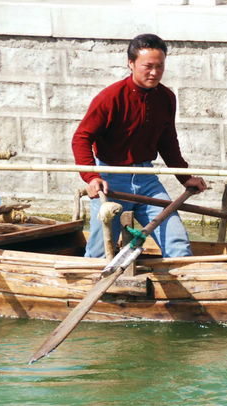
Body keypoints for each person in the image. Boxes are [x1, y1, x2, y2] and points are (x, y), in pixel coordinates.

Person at [72, 33, 207, 259]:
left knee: (177, 241)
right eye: (148, 66)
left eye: (160, 66)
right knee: (98, 252)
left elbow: (168, 142)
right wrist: (91, 177)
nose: (154, 73)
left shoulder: (166, 98)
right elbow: (81, 138)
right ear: (131, 64)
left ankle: (179, 290)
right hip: (111, 178)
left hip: (146, 179)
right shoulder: (110, 97)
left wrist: (185, 178)